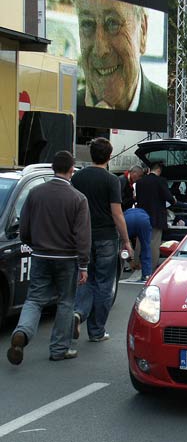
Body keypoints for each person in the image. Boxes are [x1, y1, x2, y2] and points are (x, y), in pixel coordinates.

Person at [7, 151, 91, 364]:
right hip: (67, 258)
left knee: (34, 299)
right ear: (72, 170)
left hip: (41, 255)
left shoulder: (35, 193)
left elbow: (24, 227)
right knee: (66, 302)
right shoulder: (78, 198)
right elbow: (83, 235)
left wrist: (31, 243)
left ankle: (22, 333)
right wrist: (84, 265)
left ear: (53, 168)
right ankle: (59, 349)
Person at [71, 137, 133, 343]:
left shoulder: (78, 177)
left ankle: (78, 312)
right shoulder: (111, 180)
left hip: (82, 236)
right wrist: (126, 240)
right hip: (106, 236)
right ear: (109, 156)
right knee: (105, 283)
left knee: (84, 278)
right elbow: (117, 213)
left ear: (91, 154)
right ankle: (96, 331)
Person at [74, 0, 167, 113]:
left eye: (113, 23)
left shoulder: (168, 112)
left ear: (142, 31)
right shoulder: (67, 111)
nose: (100, 51)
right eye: (87, 24)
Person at [135, 161, 177, 269]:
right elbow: (168, 197)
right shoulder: (160, 181)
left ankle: (136, 264)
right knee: (153, 242)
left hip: (141, 216)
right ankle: (151, 266)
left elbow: (137, 199)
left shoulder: (140, 182)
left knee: (140, 240)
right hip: (156, 217)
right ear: (159, 170)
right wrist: (174, 200)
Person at [124, 207, 152, 282]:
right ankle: (146, 274)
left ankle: (116, 273)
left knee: (124, 243)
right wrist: (141, 261)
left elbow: (125, 243)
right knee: (146, 246)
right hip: (143, 220)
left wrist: (130, 261)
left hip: (127, 219)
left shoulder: (126, 212)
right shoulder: (144, 212)